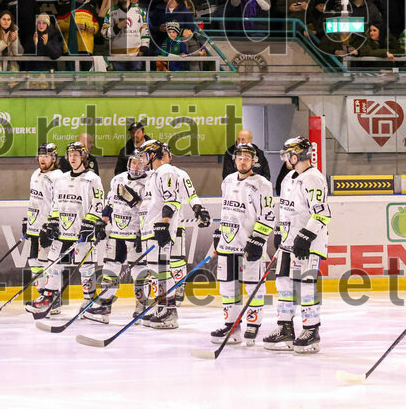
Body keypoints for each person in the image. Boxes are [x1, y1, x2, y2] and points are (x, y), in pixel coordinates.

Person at [263, 136, 330, 354]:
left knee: (305, 286)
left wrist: (306, 235)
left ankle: (311, 329)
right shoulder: (288, 179)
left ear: (296, 155)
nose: (285, 159)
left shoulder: (313, 178)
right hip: (288, 243)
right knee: (283, 284)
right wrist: (279, 233)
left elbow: (322, 213)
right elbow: (285, 210)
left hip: (307, 245)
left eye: (287, 155)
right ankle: (285, 327)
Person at [26, 141, 105, 316]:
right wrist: (52, 222)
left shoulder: (93, 179)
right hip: (62, 231)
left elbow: (99, 203)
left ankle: (90, 300)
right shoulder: (62, 178)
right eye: (70, 155)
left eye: (76, 155)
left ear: (84, 157)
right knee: (52, 263)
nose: (73, 158)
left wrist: (90, 222)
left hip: (82, 231)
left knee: (86, 267)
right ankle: (49, 297)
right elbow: (56, 203)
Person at [139, 139, 211, 329]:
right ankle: (161, 306)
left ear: (154, 154)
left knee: (162, 268)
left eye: (146, 154)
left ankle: (168, 310)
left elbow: (174, 199)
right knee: (155, 270)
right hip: (151, 228)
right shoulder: (153, 175)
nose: (144, 158)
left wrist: (165, 223)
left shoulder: (167, 171)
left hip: (161, 227)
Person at [211, 143, 276, 347]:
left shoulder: (262, 184)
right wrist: (219, 232)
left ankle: (252, 325)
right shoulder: (228, 181)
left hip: (249, 246)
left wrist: (257, 241)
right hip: (228, 245)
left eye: (247, 157)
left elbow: (268, 215)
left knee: (252, 286)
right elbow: (227, 210)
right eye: (239, 156)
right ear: (234, 159)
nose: (243, 160)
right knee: (228, 287)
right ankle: (231, 325)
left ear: (254, 161)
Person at [90, 151, 150, 323]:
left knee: (139, 272)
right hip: (116, 233)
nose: (135, 166)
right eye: (133, 162)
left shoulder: (149, 182)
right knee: (110, 269)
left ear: (146, 165)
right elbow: (110, 201)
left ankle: (142, 307)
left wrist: (134, 200)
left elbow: (149, 209)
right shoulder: (118, 179)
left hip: (135, 234)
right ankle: (105, 307)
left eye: (140, 163)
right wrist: (103, 221)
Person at [23, 143, 65, 307]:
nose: (42, 159)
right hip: (34, 225)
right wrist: (27, 220)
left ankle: (53, 300)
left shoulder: (58, 176)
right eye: (40, 155)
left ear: (54, 158)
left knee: (46, 263)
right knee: (33, 262)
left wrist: (52, 224)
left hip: (47, 227)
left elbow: (58, 202)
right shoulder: (35, 174)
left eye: (46, 156)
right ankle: (42, 297)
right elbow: (34, 199)